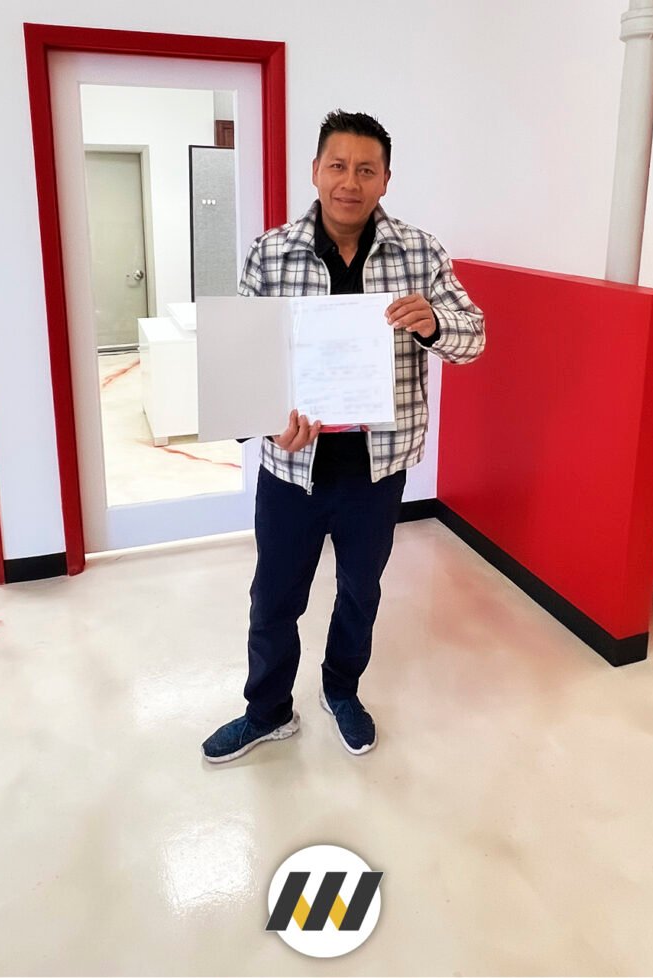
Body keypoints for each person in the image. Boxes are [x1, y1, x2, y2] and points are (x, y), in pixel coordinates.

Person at [202, 110, 485, 763]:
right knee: (274, 599)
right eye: (338, 166)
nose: (350, 182)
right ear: (315, 171)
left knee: (361, 592)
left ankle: (342, 690)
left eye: (365, 169)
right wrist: (266, 419)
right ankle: (267, 710)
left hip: (375, 468)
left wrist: (434, 322)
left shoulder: (421, 252)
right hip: (291, 466)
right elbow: (243, 362)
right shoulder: (271, 252)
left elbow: (474, 339)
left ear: (385, 179)